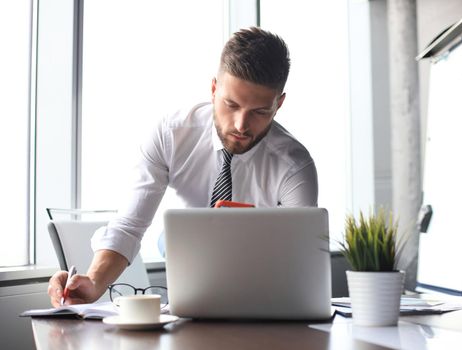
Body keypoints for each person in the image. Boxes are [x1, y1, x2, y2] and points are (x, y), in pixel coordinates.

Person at [47, 27, 318, 307]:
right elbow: (129, 226)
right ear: (214, 89)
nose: (240, 125)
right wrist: (92, 283)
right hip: (189, 292)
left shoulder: (294, 166)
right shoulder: (172, 134)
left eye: (260, 112)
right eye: (231, 104)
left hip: (263, 300)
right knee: (172, 240)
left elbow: (302, 261)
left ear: (279, 104)